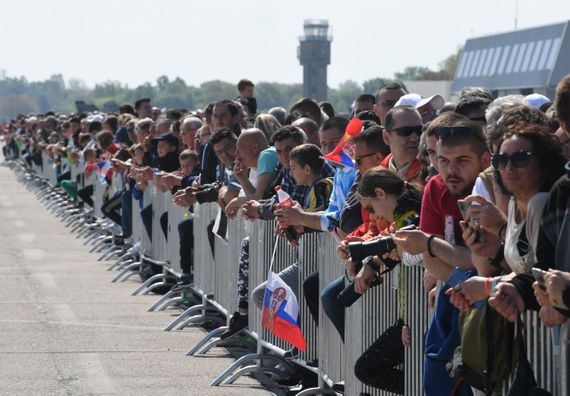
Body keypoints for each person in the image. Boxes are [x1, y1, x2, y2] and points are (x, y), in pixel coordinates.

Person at [393, 117, 492, 396]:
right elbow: (430, 260)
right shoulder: (435, 187)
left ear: (484, 159)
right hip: (452, 296)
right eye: (444, 160)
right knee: (438, 377)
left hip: (489, 303)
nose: (451, 169)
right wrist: (460, 280)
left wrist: (431, 243)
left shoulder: (490, 188)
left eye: (462, 160)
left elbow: (481, 259)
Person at [352, 168, 422, 394]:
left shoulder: (410, 214)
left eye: (370, 208)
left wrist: (396, 251)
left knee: (366, 368)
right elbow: (394, 247)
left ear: (380, 193)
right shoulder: (402, 215)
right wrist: (372, 262)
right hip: (411, 313)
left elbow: (420, 251)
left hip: (422, 312)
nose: (373, 217)